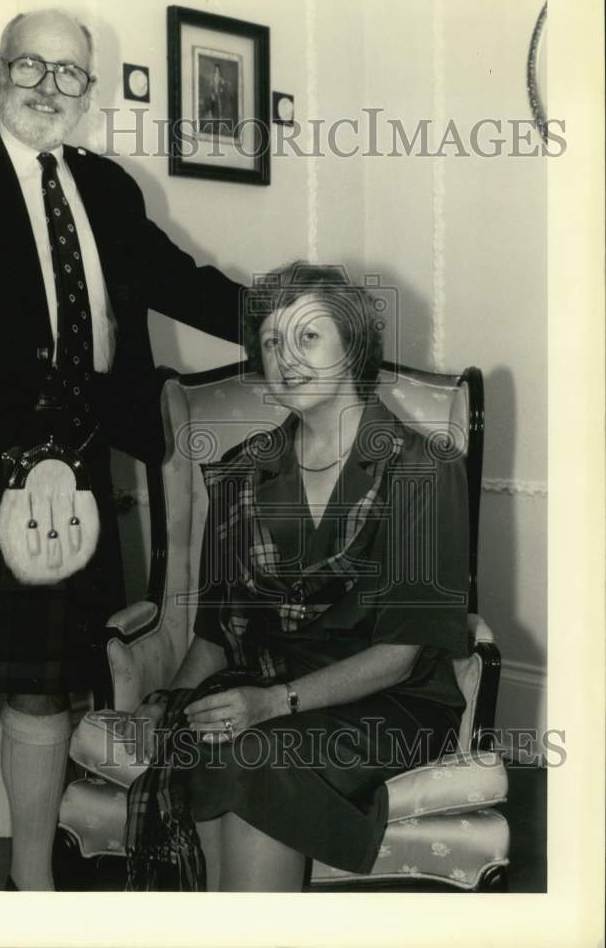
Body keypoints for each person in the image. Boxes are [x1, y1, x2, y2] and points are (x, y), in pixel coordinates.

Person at [0, 8, 245, 891]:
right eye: (30, 66)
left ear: (88, 92)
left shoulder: (107, 187)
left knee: (45, 692)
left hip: (79, 473)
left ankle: (33, 891)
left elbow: (178, 281)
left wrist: (282, 317)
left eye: (68, 73)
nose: (47, 86)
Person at [125, 262, 469, 891]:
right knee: (209, 744)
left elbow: (400, 655)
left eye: (308, 337)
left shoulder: (422, 466)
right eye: (272, 342)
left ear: (354, 346)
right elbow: (215, 633)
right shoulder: (239, 473)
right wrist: (166, 701)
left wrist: (268, 705)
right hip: (265, 686)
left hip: (392, 705)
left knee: (257, 755)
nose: (287, 358)